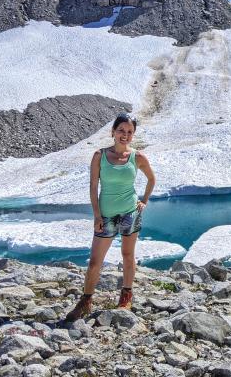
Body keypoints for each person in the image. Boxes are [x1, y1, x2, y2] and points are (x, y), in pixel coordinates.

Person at [66, 113, 156, 321]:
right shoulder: (100, 155)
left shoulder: (137, 157)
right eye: (121, 131)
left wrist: (144, 201)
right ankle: (85, 301)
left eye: (129, 132)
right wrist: (96, 215)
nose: (125, 135)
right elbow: (93, 186)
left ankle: (126, 296)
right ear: (113, 132)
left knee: (127, 255)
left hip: (130, 213)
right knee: (95, 261)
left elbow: (151, 179)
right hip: (106, 215)